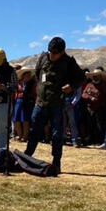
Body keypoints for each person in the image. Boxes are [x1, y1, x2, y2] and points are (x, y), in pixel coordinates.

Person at [24, 37, 85, 174]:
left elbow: (81, 78)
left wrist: (72, 86)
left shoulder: (69, 62)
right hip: (40, 103)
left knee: (57, 134)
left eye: (55, 53)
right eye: (50, 52)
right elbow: (38, 74)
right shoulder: (43, 58)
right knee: (34, 131)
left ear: (62, 52)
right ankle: (27, 156)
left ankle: (56, 162)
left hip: (57, 104)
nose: (52, 55)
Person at [82, 69, 106, 146]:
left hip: (100, 108)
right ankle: (91, 139)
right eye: (94, 77)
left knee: (100, 125)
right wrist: (90, 98)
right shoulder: (89, 85)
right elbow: (84, 94)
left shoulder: (104, 84)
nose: (95, 78)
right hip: (90, 108)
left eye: (97, 76)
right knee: (91, 124)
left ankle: (100, 140)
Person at [13, 67, 36, 142]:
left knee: (25, 120)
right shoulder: (19, 83)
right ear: (23, 75)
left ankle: (25, 137)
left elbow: (34, 94)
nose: (29, 76)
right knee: (16, 120)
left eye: (29, 75)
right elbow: (15, 92)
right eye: (27, 74)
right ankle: (20, 135)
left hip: (27, 102)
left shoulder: (32, 84)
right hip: (18, 102)